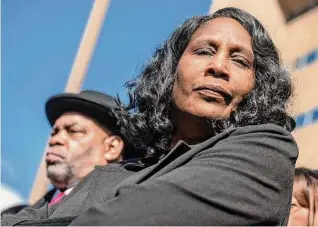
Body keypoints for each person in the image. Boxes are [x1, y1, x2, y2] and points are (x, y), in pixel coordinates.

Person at [2, 7, 298, 225]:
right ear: (170, 73)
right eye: (204, 51)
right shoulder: (110, 175)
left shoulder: (267, 153)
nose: (218, 66)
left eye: (239, 60)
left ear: (258, 86)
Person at [2, 90, 135, 216]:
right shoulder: (13, 215)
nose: (55, 139)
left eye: (74, 131)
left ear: (112, 148)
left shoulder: (130, 206)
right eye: (54, 132)